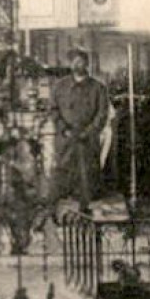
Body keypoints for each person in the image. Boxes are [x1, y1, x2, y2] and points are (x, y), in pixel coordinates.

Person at [49, 48, 112, 212]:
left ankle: (86, 211)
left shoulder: (98, 88)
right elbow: (53, 110)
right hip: (65, 139)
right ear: (70, 64)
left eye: (81, 60)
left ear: (87, 63)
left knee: (87, 176)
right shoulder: (59, 87)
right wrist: (64, 129)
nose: (77, 64)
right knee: (62, 174)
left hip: (87, 140)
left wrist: (88, 132)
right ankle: (58, 213)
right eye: (74, 61)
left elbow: (102, 114)